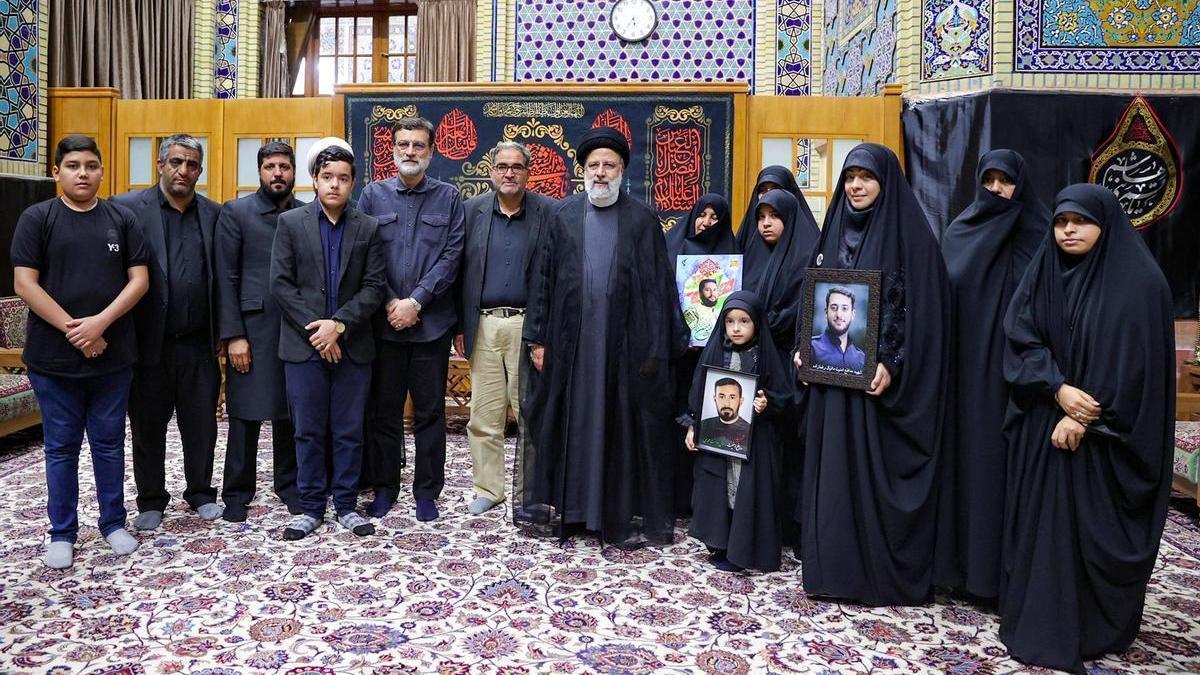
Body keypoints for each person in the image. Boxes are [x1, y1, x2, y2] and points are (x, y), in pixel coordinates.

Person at [998, 184, 1173, 675]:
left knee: (1086, 530)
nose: (1068, 230)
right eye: (1059, 221)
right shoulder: (1045, 274)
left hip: (1105, 443)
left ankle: (1095, 624)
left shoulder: (1140, 285)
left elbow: (1139, 370)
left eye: (1079, 221)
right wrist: (1056, 389)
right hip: (1046, 425)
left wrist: (1083, 417)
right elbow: (1021, 335)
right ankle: (1042, 617)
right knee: (1043, 529)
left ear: (1106, 224)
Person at [792, 143, 951, 606]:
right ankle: (831, 572)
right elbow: (815, 300)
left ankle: (876, 576)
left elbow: (927, 314)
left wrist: (892, 362)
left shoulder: (912, 238)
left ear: (886, 183)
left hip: (878, 394)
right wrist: (803, 352)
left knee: (870, 482)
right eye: (850, 177)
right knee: (832, 481)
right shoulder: (832, 232)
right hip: (831, 387)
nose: (857, 186)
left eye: (867, 177)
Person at [517, 126, 688, 548]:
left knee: (619, 427)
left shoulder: (643, 219)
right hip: (571, 347)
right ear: (583, 172)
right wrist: (538, 339)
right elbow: (542, 280)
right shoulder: (563, 216)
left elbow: (659, 288)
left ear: (622, 170)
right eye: (593, 166)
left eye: (608, 165)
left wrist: (655, 347)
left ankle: (611, 513)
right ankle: (572, 510)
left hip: (623, 350)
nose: (600, 173)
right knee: (571, 422)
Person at [11, 135, 149, 568]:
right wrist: (77, 331)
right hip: (54, 359)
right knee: (61, 446)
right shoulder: (38, 218)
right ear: (57, 172)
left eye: (91, 165)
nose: (83, 173)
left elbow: (139, 280)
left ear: (102, 170)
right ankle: (62, 531)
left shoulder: (121, 219)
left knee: (109, 444)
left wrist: (99, 324)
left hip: (113, 352)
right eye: (73, 165)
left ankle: (113, 522)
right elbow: (24, 284)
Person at [936, 149, 1047, 599]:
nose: (998, 190)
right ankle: (962, 572)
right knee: (966, 468)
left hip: (1019, 382)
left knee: (1009, 474)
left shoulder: (1041, 235)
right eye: (990, 181)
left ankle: (1006, 579)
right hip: (964, 381)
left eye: (1007, 181)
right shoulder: (959, 233)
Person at [270, 141, 387, 540]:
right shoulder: (290, 224)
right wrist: (321, 331)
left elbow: (374, 288)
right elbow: (281, 286)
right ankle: (310, 507)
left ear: (353, 183)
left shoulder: (368, 228)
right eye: (327, 178)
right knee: (307, 429)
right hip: (303, 348)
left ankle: (346, 506)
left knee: (349, 429)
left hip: (353, 346)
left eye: (342, 178)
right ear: (314, 181)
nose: (334, 185)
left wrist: (338, 325)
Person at [112, 134, 223, 530]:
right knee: (147, 426)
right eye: (176, 162)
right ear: (160, 164)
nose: (184, 170)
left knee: (201, 425)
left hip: (198, 343)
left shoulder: (214, 214)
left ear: (200, 170)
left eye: (192, 164)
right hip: (148, 344)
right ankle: (151, 500)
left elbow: (222, 280)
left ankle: (200, 493)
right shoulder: (127, 210)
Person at [358, 117, 465, 522]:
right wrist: (390, 302)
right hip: (384, 328)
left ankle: (426, 493)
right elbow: (365, 255)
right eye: (403, 145)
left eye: (418, 145)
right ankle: (385, 488)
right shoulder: (372, 195)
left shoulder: (449, 197)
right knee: (384, 413)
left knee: (430, 413)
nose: (410, 152)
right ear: (392, 150)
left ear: (431, 151)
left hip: (431, 326)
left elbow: (452, 256)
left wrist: (416, 302)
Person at [455, 141, 557, 515]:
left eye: (517, 167)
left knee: (531, 411)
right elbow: (459, 273)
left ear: (528, 173)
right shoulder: (471, 212)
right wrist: (460, 325)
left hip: (527, 328)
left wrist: (543, 334)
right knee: (484, 415)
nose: (509, 173)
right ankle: (489, 489)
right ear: (491, 171)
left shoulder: (549, 213)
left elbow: (556, 276)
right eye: (502, 166)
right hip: (483, 326)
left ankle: (533, 490)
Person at [215, 141, 303, 522]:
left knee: (290, 411)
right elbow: (225, 277)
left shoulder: (306, 213)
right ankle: (236, 491)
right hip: (251, 331)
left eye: (284, 166)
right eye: (270, 167)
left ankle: (289, 485)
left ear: (294, 171)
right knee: (245, 414)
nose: (278, 173)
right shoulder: (237, 213)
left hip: (296, 328)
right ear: (260, 171)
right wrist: (234, 335)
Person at [686, 291, 793, 572]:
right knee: (720, 489)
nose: (736, 328)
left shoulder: (765, 356)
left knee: (746, 491)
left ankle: (743, 551)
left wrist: (766, 402)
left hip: (755, 445)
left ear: (757, 323)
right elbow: (700, 392)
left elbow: (784, 396)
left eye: (744, 321)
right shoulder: (717, 352)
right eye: (730, 321)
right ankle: (721, 544)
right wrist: (693, 426)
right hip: (719, 441)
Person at [666, 193, 737, 518]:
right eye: (702, 214)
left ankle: (707, 506)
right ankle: (674, 498)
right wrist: (682, 334)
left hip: (715, 358)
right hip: (678, 355)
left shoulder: (732, 258)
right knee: (675, 425)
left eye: (714, 218)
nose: (706, 223)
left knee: (714, 423)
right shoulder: (673, 247)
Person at [742, 189, 819, 360]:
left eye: (774, 215)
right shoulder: (754, 253)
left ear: (789, 217)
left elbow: (793, 314)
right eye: (761, 217)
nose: (766, 223)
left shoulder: (805, 258)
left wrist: (754, 327)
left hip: (788, 357)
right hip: (751, 353)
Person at [734, 166, 810, 250]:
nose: (768, 195)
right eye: (762, 190)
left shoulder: (807, 246)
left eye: (775, 189)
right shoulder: (747, 235)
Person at [809, 286, 866, 372]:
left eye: (845, 308)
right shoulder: (811, 347)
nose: (839, 314)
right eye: (834, 308)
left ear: (853, 315)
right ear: (826, 312)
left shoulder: (862, 359)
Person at [696, 378, 752, 453]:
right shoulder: (703, 425)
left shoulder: (749, 431)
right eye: (721, 397)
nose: (726, 403)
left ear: (741, 401)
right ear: (715, 398)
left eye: (732, 397)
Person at [682, 278, 722, 343]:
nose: (712, 294)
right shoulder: (693, 311)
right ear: (700, 293)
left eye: (714, 290)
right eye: (707, 290)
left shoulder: (718, 313)